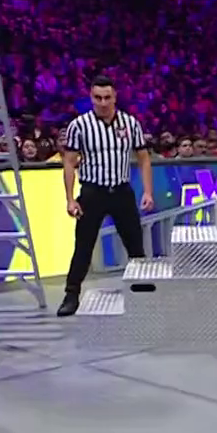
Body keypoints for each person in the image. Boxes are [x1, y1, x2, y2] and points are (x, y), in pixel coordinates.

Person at [55, 76, 153, 317]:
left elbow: (143, 158)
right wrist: (70, 199)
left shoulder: (130, 123)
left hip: (121, 191)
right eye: (98, 98)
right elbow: (69, 163)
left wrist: (148, 191)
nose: (103, 102)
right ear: (91, 97)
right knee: (83, 247)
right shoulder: (79, 125)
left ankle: (143, 293)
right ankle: (71, 294)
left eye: (107, 97)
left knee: (135, 245)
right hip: (93, 192)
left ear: (115, 97)